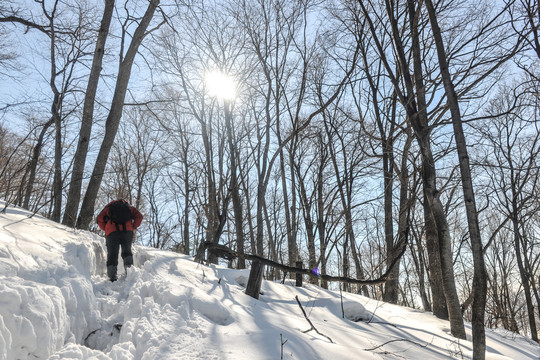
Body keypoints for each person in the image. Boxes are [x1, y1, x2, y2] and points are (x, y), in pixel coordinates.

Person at [97, 199, 143, 282]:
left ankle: (112, 278)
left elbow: (99, 219)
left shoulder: (107, 208)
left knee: (112, 254)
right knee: (127, 251)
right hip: (127, 231)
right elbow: (139, 216)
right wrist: (133, 226)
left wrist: (106, 228)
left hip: (112, 232)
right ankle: (129, 273)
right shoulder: (129, 207)